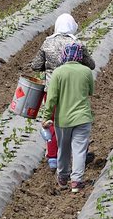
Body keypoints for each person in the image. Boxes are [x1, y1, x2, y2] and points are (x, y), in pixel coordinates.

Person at [30, 13, 97, 169]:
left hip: (51, 89)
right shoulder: (77, 44)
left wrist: (47, 67)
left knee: (51, 121)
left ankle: (53, 158)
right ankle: (81, 154)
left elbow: (35, 65)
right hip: (73, 88)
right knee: (76, 118)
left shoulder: (47, 44)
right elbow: (91, 64)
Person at [41, 43, 95, 193]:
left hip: (63, 119)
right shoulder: (86, 71)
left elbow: (51, 98)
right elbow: (91, 91)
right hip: (83, 117)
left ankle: (63, 177)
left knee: (63, 148)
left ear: (64, 56)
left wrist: (46, 118)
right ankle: (76, 181)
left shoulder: (58, 72)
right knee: (79, 149)